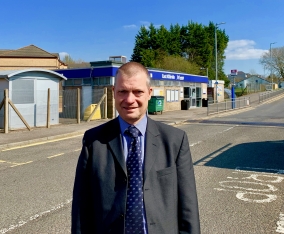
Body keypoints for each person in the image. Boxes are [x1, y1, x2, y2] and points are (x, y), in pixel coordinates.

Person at [71, 61, 200, 234]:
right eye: (123, 91)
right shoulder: (93, 141)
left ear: (149, 93)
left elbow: (188, 206)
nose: (130, 99)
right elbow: (81, 207)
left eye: (137, 92)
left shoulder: (175, 140)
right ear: (114, 93)